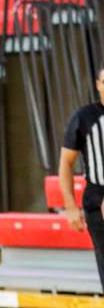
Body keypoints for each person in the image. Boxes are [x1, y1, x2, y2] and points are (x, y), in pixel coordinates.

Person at [60, 64, 104, 292]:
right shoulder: (84, 117)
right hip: (97, 195)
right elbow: (66, 163)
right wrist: (70, 206)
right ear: (98, 85)